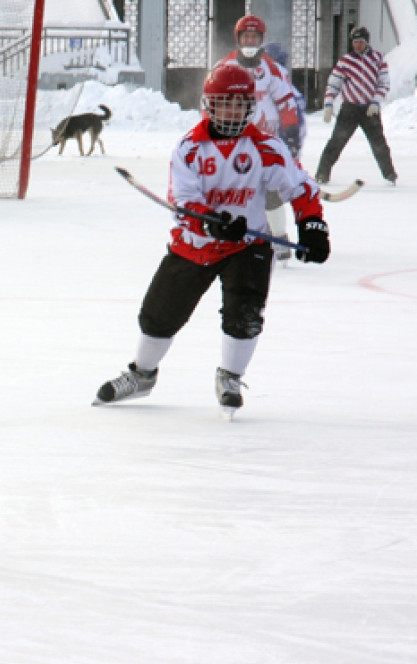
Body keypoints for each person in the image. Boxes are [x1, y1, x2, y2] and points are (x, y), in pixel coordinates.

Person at [93, 64, 330, 418]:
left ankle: (231, 378)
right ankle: (141, 375)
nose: (232, 112)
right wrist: (214, 225)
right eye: (224, 104)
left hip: (247, 248)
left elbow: (300, 186)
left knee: (245, 316)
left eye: (239, 105)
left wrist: (312, 225)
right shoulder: (189, 149)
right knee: (159, 314)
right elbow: (185, 204)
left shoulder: (266, 146)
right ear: (209, 105)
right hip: (194, 245)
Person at [213, 15, 304, 262]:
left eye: (254, 36)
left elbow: (286, 103)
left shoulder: (272, 69)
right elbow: (210, 101)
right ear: (238, 38)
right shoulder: (225, 67)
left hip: (265, 140)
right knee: (232, 190)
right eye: (246, 36)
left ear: (261, 39)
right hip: (234, 141)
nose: (250, 40)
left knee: (271, 189)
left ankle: (279, 237)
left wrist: (292, 134)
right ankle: (231, 237)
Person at [316, 27, 398, 185]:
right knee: (336, 142)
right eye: (355, 42)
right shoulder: (345, 61)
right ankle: (322, 174)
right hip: (350, 108)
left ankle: (390, 175)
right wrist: (328, 104)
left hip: (369, 110)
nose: (358, 45)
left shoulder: (377, 59)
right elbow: (334, 83)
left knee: (379, 143)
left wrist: (376, 101)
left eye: (361, 42)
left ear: (367, 42)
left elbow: (384, 83)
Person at [262, 41, 309, 263]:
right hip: (266, 148)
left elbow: (295, 122)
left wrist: (291, 148)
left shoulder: (283, 87)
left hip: (276, 150)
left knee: (271, 195)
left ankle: (278, 238)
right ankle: (274, 237)